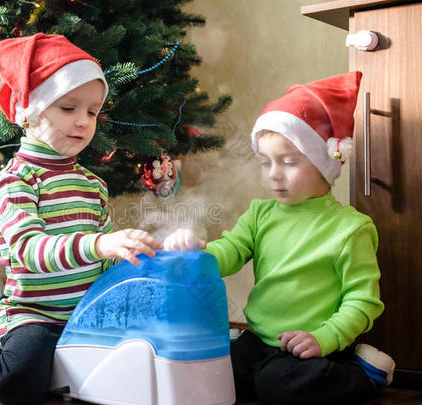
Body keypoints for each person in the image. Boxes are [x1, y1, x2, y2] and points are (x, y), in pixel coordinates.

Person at [0, 33, 162, 405]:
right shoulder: (15, 181)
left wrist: (141, 255)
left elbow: (109, 257)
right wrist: (98, 244)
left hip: (88, 313)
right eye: (68, 108)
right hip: (35, 314)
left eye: (93, 111)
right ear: (28, 110)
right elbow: (30, 250)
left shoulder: (92, 185)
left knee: (146, 353)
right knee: (17, 382)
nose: (83, 121)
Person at [163, 72, 395, 405]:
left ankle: (361, 374)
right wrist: (200, 251)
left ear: (324, 161)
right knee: (208, 372)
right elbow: (230, 251)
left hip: (310, 346)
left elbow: (362, 301)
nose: (273, 174)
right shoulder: (260, 213)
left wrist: (324, 338)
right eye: (265, 162)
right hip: (257, 339)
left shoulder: (350, 228)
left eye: (288, 162)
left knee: (278, 385)